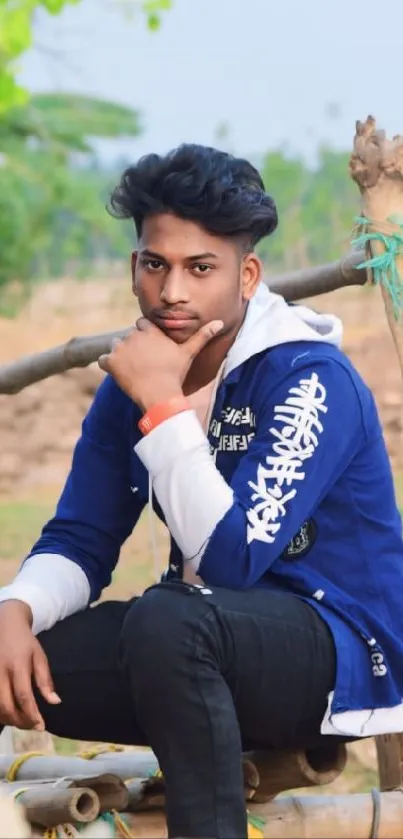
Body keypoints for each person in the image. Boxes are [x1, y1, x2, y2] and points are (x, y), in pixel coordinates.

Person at [0, 144, 403, 839]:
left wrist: (161, 403)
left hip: (337, 651)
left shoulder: (309, 380)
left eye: (200, 268)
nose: (172, 291)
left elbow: (231, 559)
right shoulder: (129, 386)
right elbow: (81, 537)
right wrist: (17, 608)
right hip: (195, 651)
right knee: (25, 646)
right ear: (135, 268)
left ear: (246, 275)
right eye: (156, 265)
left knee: (170, 618)